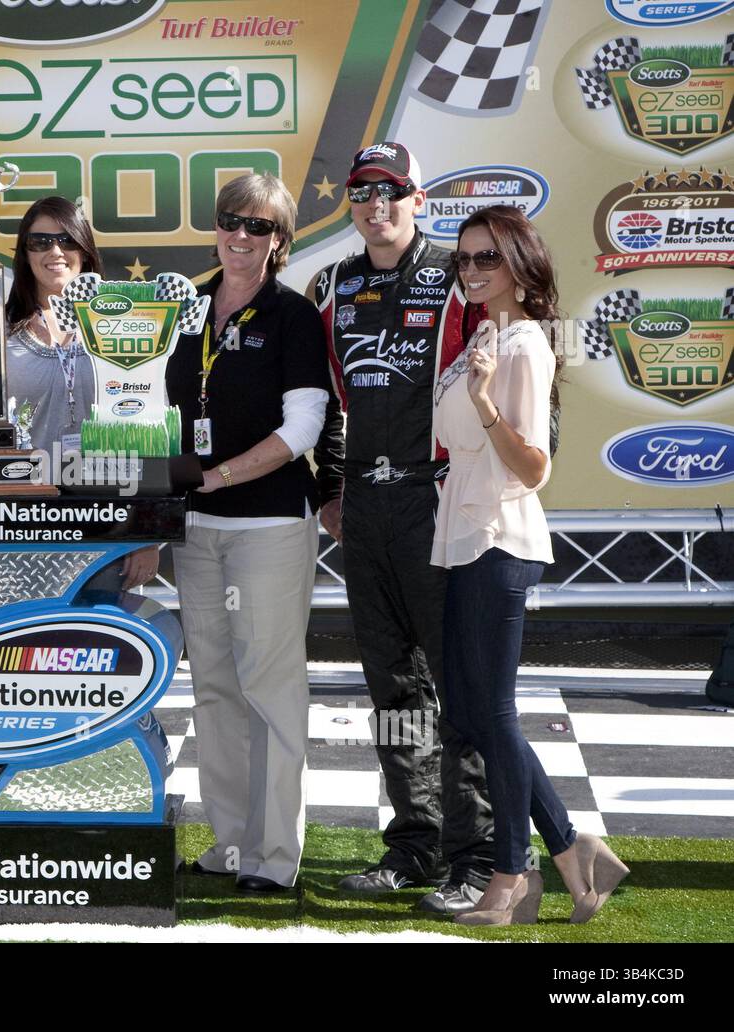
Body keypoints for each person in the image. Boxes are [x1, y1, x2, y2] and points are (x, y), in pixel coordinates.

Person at [309, 142, 495, 913]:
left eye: (389, 192)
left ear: (419, 199)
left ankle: (478, 855)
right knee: (395, 686)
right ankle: (413, 842)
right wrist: (329, 485)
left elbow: (515, 378)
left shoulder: (461, 276)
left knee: (457, 684)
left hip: (437, 501)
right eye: (360, 193)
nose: (374, 206)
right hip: (367, 506)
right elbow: (320, 397)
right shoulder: (332, 287)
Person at [435, 205, 628, 925]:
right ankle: (574, 848)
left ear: (520, 260)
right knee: (471, 711)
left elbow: (534, 467)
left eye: (488, 257)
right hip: (466, 535)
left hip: (499, 538)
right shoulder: (486, 334)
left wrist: (483, 402)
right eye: (465, 259)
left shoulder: (522, 346)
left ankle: (511, 875)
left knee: (491, 711)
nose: (475, 270)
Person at [165, 173, 332, 893]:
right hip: (193, 527)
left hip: (267, 523)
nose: (241, 236)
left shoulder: (293, 315)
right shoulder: (183, 308)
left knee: (268, 686)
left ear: (280, 241)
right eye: (231, 221)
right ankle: (228, 845)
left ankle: (273, 856)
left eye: (258, 227)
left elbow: (303, 429)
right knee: (214, 689)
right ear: (215, 227)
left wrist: (218, 477)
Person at [5, 195, 159, 589]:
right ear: (25, 253)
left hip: (108, 518)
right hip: (23, 521)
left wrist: (147, 532)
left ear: (85, 250)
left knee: (101, 646)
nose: (54, 251)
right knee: (31, 647)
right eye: (40, 242)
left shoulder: (124, 323)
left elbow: (149, 428)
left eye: (67, 240)